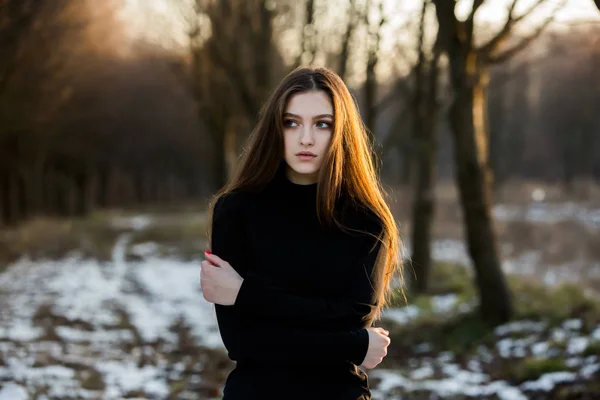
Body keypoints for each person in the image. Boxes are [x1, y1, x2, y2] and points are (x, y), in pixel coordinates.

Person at [200, 66, 404, 400]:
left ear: (341, 132)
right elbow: (243, 341)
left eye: (322, 124)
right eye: (291, 122)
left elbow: (352, 315)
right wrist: (351, 344)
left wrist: (245, 293)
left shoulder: (365, 220)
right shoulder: (236, 212)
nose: (305, 138)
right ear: (274, 129)